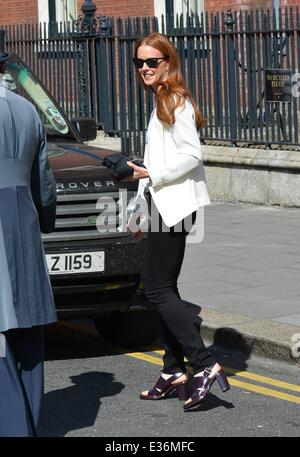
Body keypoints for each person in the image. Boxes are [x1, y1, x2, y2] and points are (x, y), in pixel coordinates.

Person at [127, 32, 230, 411]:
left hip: (174, 207)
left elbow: (192, 157)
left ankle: (203, 364)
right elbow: (154, 161)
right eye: (139, 63)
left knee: (157, 291)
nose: (145, 69)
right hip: (160, 205)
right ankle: (173, 371)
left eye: (152, 62)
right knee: (163, 288)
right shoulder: (160, 100)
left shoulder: (176, 100)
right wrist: (138, 208)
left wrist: (150, 175)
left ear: (168, 63)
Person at [0, 36, 57, 436]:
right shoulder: (27, 109)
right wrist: (44, 220)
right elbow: (45, 185)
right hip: (24, 220)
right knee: (27, 333)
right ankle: (30, 425)